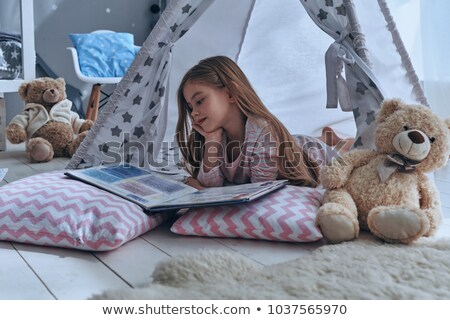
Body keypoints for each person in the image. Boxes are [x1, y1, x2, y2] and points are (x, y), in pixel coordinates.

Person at [176, 56, 346, 190]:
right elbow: (212, 186)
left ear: (230, 93)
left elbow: (258, 190)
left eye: (199, 101)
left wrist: (203, 192)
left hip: (314, 153)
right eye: (190, 107)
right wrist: (212, 140)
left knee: (345, 151)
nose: (193, 113)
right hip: (288, 143)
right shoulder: (217, 136)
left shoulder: (262, 131)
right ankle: (327, 137)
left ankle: (335, 141)